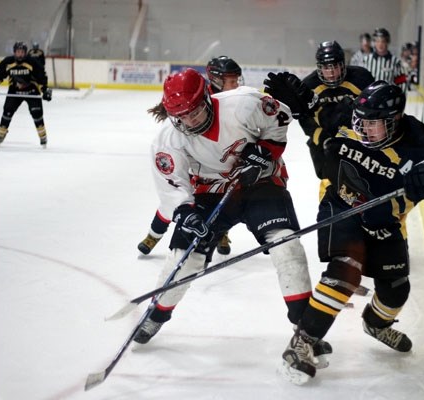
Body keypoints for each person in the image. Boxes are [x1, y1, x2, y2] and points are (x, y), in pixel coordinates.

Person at [275, 81, 424, 384]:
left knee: (396, 289)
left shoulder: (420, 143)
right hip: (341, 206)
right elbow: (317, 122)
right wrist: (303, 105)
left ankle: (375, 323)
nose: (363, 128)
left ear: (394, 121)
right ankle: (301, 344)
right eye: (360, 121)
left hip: (385, 220)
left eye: (372, 124)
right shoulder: (346, 115)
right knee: (345, 270)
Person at [132, 69, 332, 366]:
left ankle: (305, 331)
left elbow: (279, 123)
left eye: (195, 112)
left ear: (208, 99)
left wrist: (264, 153)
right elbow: (173, 187)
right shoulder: (168, 141)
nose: (190, 122)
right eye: (181, 117)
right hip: (209, 193)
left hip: (261, 184)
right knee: (185, 258)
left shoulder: (245, 103)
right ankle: (157, 314)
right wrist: (186, 213)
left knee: (287, 247)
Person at [137, 56, 243, 256]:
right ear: (217, 80)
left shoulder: (234, 102)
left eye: (237, 79)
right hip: (197, 163)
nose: (236, 84)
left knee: (226, 199)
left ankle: (221, 233)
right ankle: (154, 234)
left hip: (221, 163)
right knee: (177, 202)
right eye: (232, 80)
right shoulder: (200, 100)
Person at [264, 40, 375, 180]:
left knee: (364, 177)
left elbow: (372, 109)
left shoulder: (361, 78)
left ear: (343, 64)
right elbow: (305, 118)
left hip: (357, 137)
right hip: (324, 138)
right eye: (326, 68)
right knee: (328, 178)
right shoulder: (309, 85)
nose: (331, 73)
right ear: (319, 67)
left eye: (335, 66)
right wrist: (322, 138)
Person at [0, 41, 51, 148]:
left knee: (37, 112)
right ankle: (0, 135)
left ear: (25, 53)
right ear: (14, 52)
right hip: (14, 91)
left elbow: (41, 76)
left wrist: (45, 89)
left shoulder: (32, 62)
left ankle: (42, 136)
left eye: (22, 52)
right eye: (18, 52)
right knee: (7, 111)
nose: (20, 54)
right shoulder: (8, 62)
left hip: (31, 90)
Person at [362, 28, 408, 93]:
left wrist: (401, 99)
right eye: (377, 41)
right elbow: (362, 81)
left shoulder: (396, 62)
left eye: (383, 41)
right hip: (370, 99)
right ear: (374, 43)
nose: (380, 44)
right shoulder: (366, 60)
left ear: (387, 42)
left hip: (389, 99)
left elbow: (402, 83)